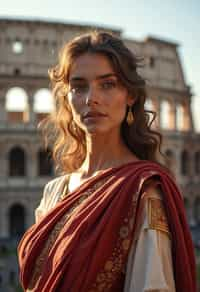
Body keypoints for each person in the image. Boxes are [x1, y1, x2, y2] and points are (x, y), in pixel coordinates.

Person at [18, 31, 196, 292]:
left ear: (131, 95)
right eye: (79, 86)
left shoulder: (144, 192)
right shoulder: (54, 192)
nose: (92, 98)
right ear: (67, 98)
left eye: (108, 84)